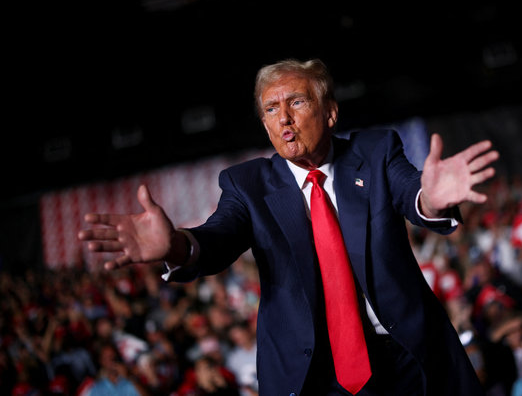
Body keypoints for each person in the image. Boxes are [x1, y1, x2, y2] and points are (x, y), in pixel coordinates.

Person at [78, 58, 499, 395]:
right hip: (312, 373)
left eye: (296, 102)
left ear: (330, 112)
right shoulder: (248, 184)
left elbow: (413, 195)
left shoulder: (375, 151)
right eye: (271, 109)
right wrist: (174, 246)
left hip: (406, 356)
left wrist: (431, 199)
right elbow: (217, 239)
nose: (284, 119)